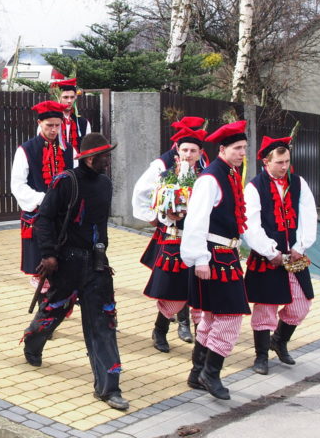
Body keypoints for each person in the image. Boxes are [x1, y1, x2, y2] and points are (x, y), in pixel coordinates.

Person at [20, 133, 129, 411]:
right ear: (92, 158)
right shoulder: (65, 181)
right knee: (53, 310)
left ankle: (109, 387)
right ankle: (32, 344)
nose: (108, 160)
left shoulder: (105, 184)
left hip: (96, 264)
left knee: (104, 322)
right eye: (105, 156)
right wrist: (48, 254)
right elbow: (44, 218)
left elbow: (100, 226)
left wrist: (102, 254)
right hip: (66, 262)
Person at [180, 120, 250, 400]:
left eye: (244, 148)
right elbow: (196, 220)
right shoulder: (210, 178)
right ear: (222, 149)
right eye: (237, 148)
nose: (242, 153)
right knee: (230, 315)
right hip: (212, 256)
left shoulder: (229, 173)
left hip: (226, 254)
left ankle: (198, 373)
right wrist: (199, 259)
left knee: (211, 315)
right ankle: (211, 373)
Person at [243, 136, 317, 375]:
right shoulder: (254, 187)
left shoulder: (298, 183)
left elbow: (308, 215)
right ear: (266, 161)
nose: (284, 167)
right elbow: (250, 226)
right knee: (266, 307)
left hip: (294, 255)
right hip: (267, 257)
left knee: (301, 305)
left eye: (286, 161)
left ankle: (280, 340)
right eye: (279, 162)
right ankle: (261, 356)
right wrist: (269, 251)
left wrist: (300, 246)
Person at [132, 125, 208, 353]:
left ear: (200, 153)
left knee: (198, 288)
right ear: (177, 151)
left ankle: (200, 338)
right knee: (170, 287)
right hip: (173, 236)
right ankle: (160, 330)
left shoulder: (206, 178)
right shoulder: (165, 175)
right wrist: (161, 216)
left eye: (193, 151)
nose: (188, 155)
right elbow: (150, 200)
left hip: (197, 239)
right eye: (185, 150)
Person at [11, 100, 74, 287]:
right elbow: (18, 185)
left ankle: (61, 303)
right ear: (39, 123)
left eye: (57, 125)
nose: (54, 130)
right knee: (42, 269)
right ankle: (45, 308)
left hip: (63, 216)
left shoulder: (69, 150)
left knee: (64, 265)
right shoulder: (26, 150)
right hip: (38, 215)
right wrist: (44, 199)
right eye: (49, 126)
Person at [50, 78, 91, 154]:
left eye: (72, 97)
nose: (69, 101)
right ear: (58, 98)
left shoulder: (84, 123)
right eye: (65, 97)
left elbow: (87, 149)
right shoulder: (49, 121)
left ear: (75, 97)